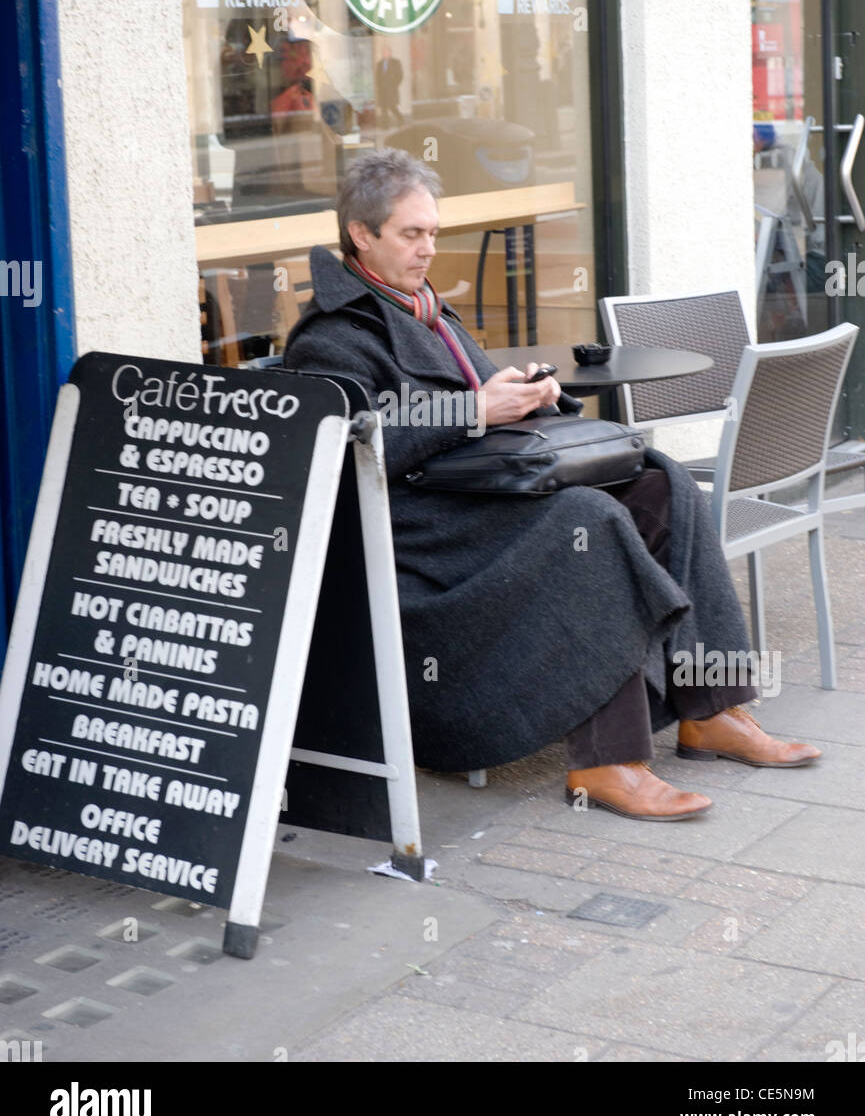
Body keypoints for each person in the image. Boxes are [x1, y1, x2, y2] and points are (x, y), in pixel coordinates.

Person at [284, 149, 820, 820]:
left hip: (474, 502)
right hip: (419, 536)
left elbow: (477, 399)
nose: (428, 249)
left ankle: (711, 707)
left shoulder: (425, 310)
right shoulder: (330, 335)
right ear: (361, 235)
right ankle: (605, 761)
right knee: (589, 522)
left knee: (665, 483)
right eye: (410, 235)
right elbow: (348, 443)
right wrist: (475, 410)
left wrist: (530, 396)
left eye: (432, 232)